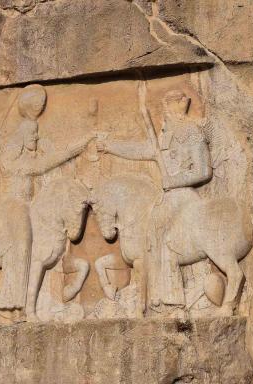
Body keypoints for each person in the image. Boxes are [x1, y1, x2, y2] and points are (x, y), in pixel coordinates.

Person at [96, 89, 213, 316]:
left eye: (168, 107)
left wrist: (174, 180)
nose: (165, 113)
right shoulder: (166, 136)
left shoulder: (192, 132)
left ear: (173, 107)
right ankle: (156, 298)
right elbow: (141, 151)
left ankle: (172, 301)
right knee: (150, 229)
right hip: (168, 197)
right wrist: (110, 146)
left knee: (159, 231)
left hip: (184, 195)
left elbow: (204, 171)